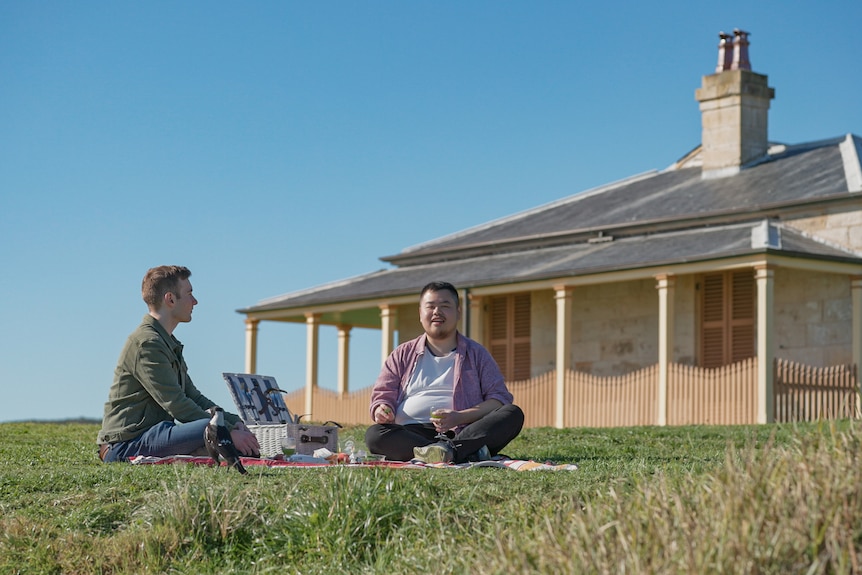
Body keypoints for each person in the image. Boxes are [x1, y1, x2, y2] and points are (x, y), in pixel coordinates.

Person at [97, 265, 260, 463]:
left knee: (221, 434)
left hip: (154, 435)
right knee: (207, 429)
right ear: (170, 299)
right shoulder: (147, 343)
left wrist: (235, 424)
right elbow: (177, 405)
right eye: (189, 294)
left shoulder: (166, 342)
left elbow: (193, 396)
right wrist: (222, 430)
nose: (195, 301)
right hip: (126, 445)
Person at [365, 281, 524, 463]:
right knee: (375, 435)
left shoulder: (477, 353)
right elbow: (383, 395)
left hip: (463, 432)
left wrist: (459, 417)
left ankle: (447, 451)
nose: (436, 312)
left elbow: (499, 399)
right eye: (430, 306)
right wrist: (382, 410)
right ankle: (454, 453)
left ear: (458, 312)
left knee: (513, 414)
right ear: (420, 313)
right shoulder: (402, 353)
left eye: (445, 306)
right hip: (411, 434)